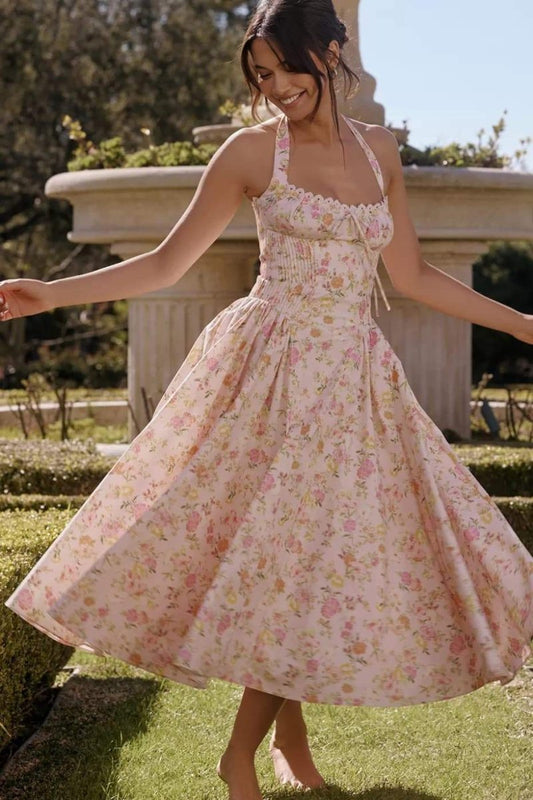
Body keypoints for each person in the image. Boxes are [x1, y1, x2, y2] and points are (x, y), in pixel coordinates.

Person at [2, 1, 533, 798]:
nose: (276, 86)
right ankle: (239, 757)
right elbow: (165, 265)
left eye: (287, 68)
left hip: (354, 379)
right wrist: (48, 293)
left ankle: (286, 748)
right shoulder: (254, 154)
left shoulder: (378, 151)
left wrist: (524, 323)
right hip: (268, 371)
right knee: (291, 559)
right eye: (261, 75)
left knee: (309, 558)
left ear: (330, 51)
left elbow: (414, 277)